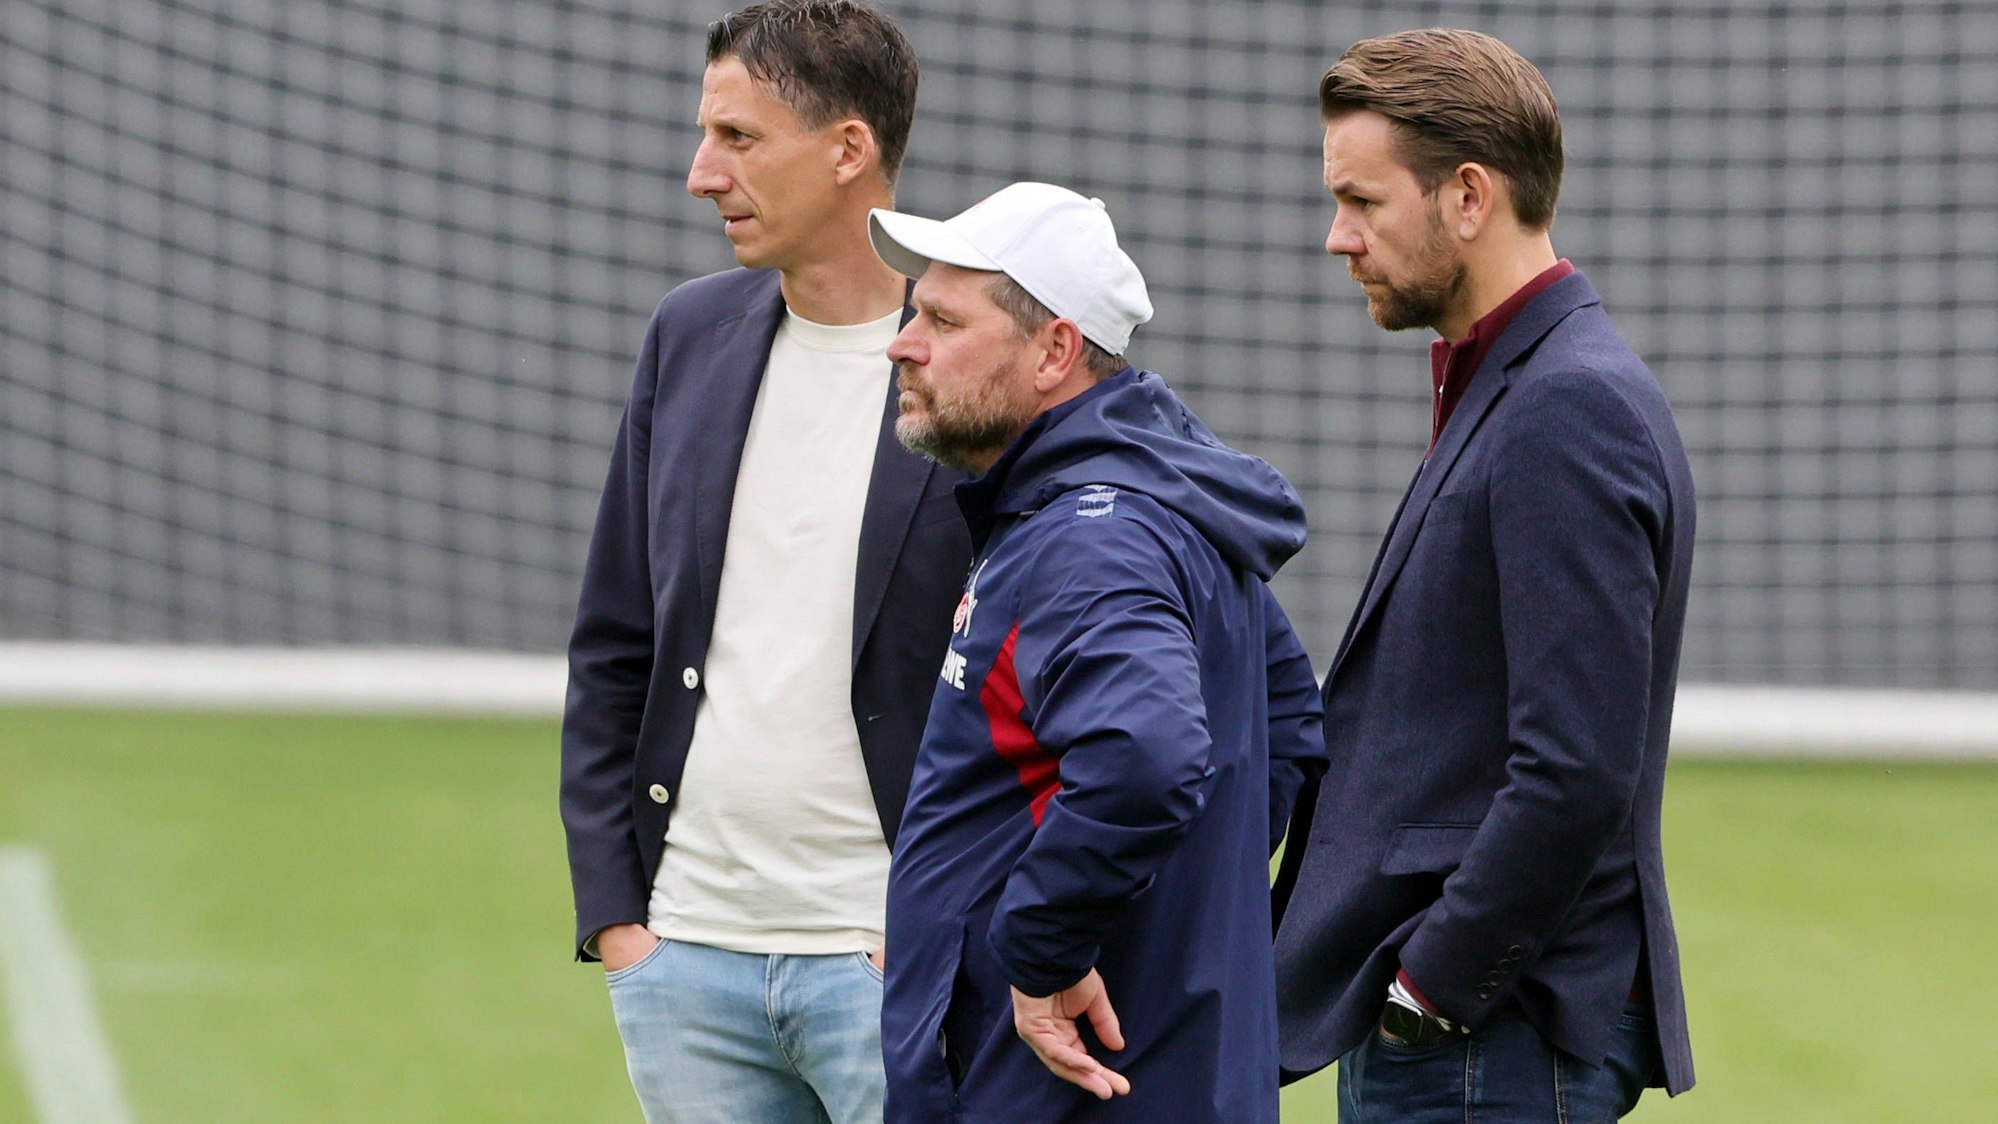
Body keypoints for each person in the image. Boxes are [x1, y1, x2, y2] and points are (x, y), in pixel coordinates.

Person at [1270, 28, 1697, 1121]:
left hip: (1484, 1043)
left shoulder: (1567, 405)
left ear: (1468, 196)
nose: (1337, 236)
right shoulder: (1518, 379)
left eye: (1364, 202)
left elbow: (1576, 765)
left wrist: (1432, 988)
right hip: (1464, 1040)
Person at [558, 3, 970, 1121]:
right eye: (708, 135)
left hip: (891, 966)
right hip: (684, 961)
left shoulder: (983, 355)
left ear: (849, 150)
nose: (702, 174)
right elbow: (613, 642)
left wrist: (946, 925)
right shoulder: (686, 335)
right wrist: (621, 921)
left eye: (738, 139)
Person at [866, 181, 1328, 1123]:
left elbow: (1148, 757)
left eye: (944, 320)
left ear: (1055, 351)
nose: (902, 343)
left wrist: (1041, 948)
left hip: (1056, 1086)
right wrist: (1167, 926)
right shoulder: (1155, 510)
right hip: (1162, 1069)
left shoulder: (1088, 537)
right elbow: (1285, 731)